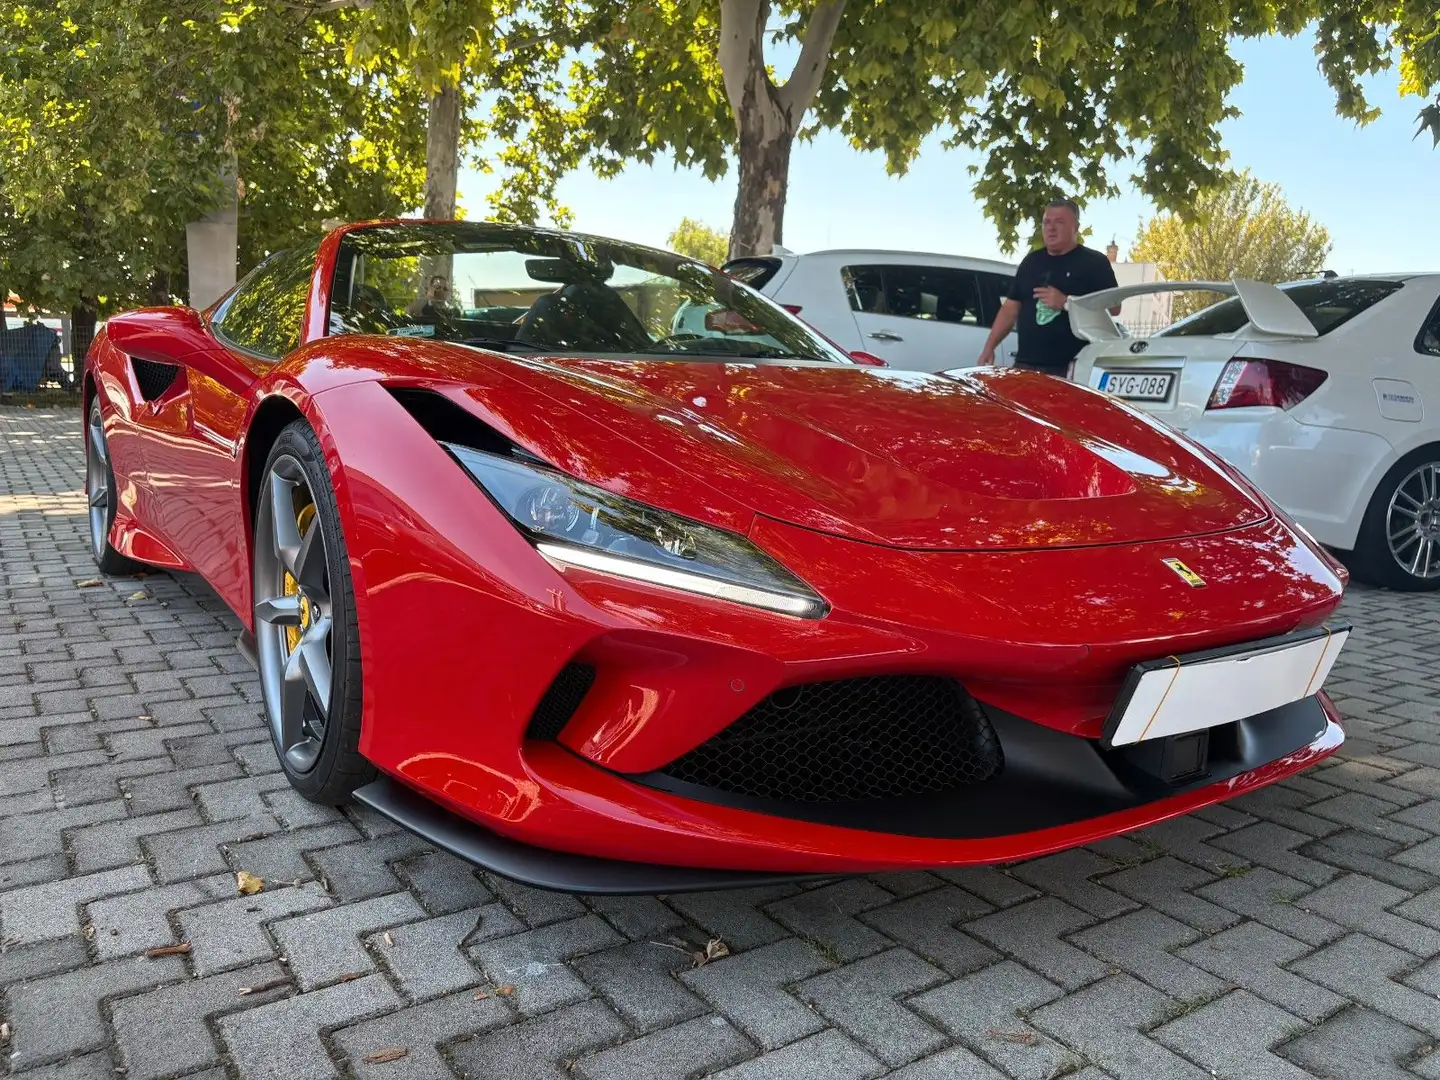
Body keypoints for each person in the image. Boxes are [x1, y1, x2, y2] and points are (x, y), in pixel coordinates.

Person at [976, 198, 1121, 377]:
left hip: (1072, 368)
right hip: (1026, 365)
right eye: (1047, 222)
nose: (1051, 228)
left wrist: (1067, 302)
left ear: (1075, 227)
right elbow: (1010, 309)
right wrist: (989, 347)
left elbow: (1114, 308)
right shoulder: (1031, 262)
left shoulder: (1094, 263)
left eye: (1059, 222)